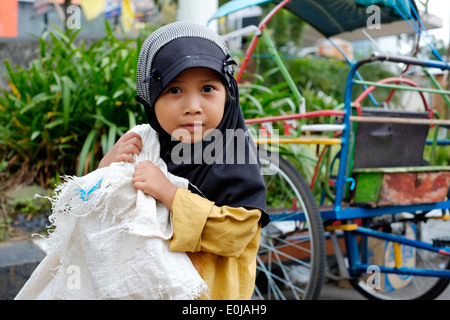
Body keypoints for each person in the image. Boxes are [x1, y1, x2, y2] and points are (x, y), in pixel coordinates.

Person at [99, 21, 269, 300]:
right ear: (151, 98)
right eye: (174, 90)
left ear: (228, 94)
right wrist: (107, 169)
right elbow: (97, 213)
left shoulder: (235, 154)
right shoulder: (147, 146)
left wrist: (169, 194)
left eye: (207, 89)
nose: (192, 107)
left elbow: (235, 234)